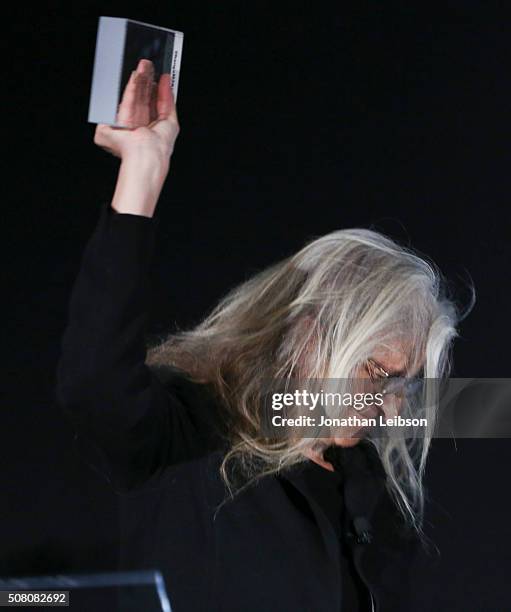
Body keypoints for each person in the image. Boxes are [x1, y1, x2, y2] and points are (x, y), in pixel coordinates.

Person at [56, 59, 459, 611]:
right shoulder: (193, 433)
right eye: (378, 372)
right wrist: (142, 171)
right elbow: (95, 381)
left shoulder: (371, 492)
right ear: (312, 336)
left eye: (403, 383)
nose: (391, 408)